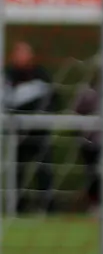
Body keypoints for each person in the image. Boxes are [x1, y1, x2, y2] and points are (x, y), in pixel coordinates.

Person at [6, 41, 55, 211]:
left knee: (44, 169)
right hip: (17, 132)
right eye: (17, 53)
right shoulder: (8, 75)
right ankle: (18, 206)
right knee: (18, 170)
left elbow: (52, 99)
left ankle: (48, 207)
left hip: (39, 130)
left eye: (24, 53)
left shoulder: (41, 75)